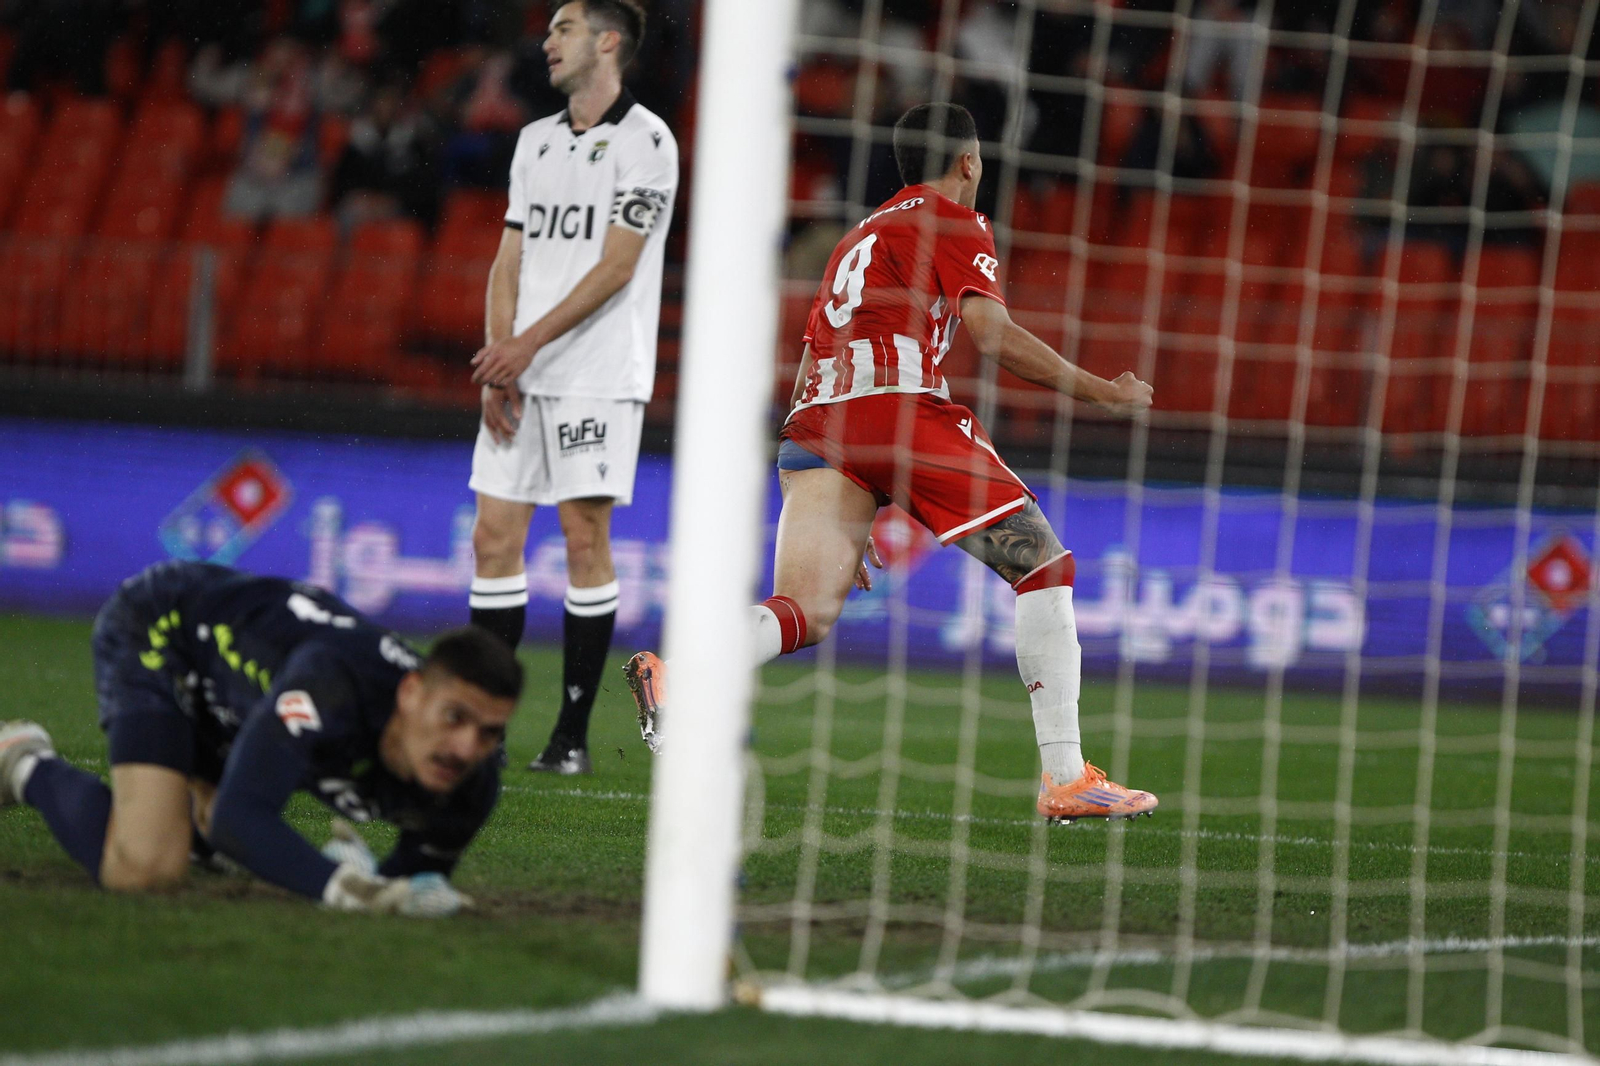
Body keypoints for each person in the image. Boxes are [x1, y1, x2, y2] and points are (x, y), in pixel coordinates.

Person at [626, 103, 1160, 824]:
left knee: (804, 612)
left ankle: (680, 676)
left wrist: (836, 490)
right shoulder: (952, 218)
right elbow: (992, 335)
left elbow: (816, 359)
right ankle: (1066, 777)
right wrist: (1104, 392)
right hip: (897, 403)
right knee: (1043, 565)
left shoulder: (858, 237)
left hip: (815, 425)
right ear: (969, 163)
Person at [0, 561, 521, 914]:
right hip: (167, 630)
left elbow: (396, 891)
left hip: (243, 689)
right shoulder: (333, 688)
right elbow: (241, 817)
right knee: (145, 866)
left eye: (488, 732)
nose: (466, 749)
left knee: (212, 841)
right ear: (410, 694)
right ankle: (23, 760)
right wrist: (341, 887)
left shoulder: (472, 785)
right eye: (454, 718)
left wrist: (384, 890)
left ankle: (185, 817)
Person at [466, 0, 677, 778]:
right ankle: (482, 728)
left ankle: (571, 738)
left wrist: (524, 345)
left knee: (583, 542)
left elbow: (619, 266)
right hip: (522, 370)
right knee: (493, 540)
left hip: (595, 376)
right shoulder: (533, 142)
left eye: (563, 28)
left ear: (607, 40)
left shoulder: (648, 141)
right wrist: (500, 357)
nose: (547, 42)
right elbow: (507, 259)